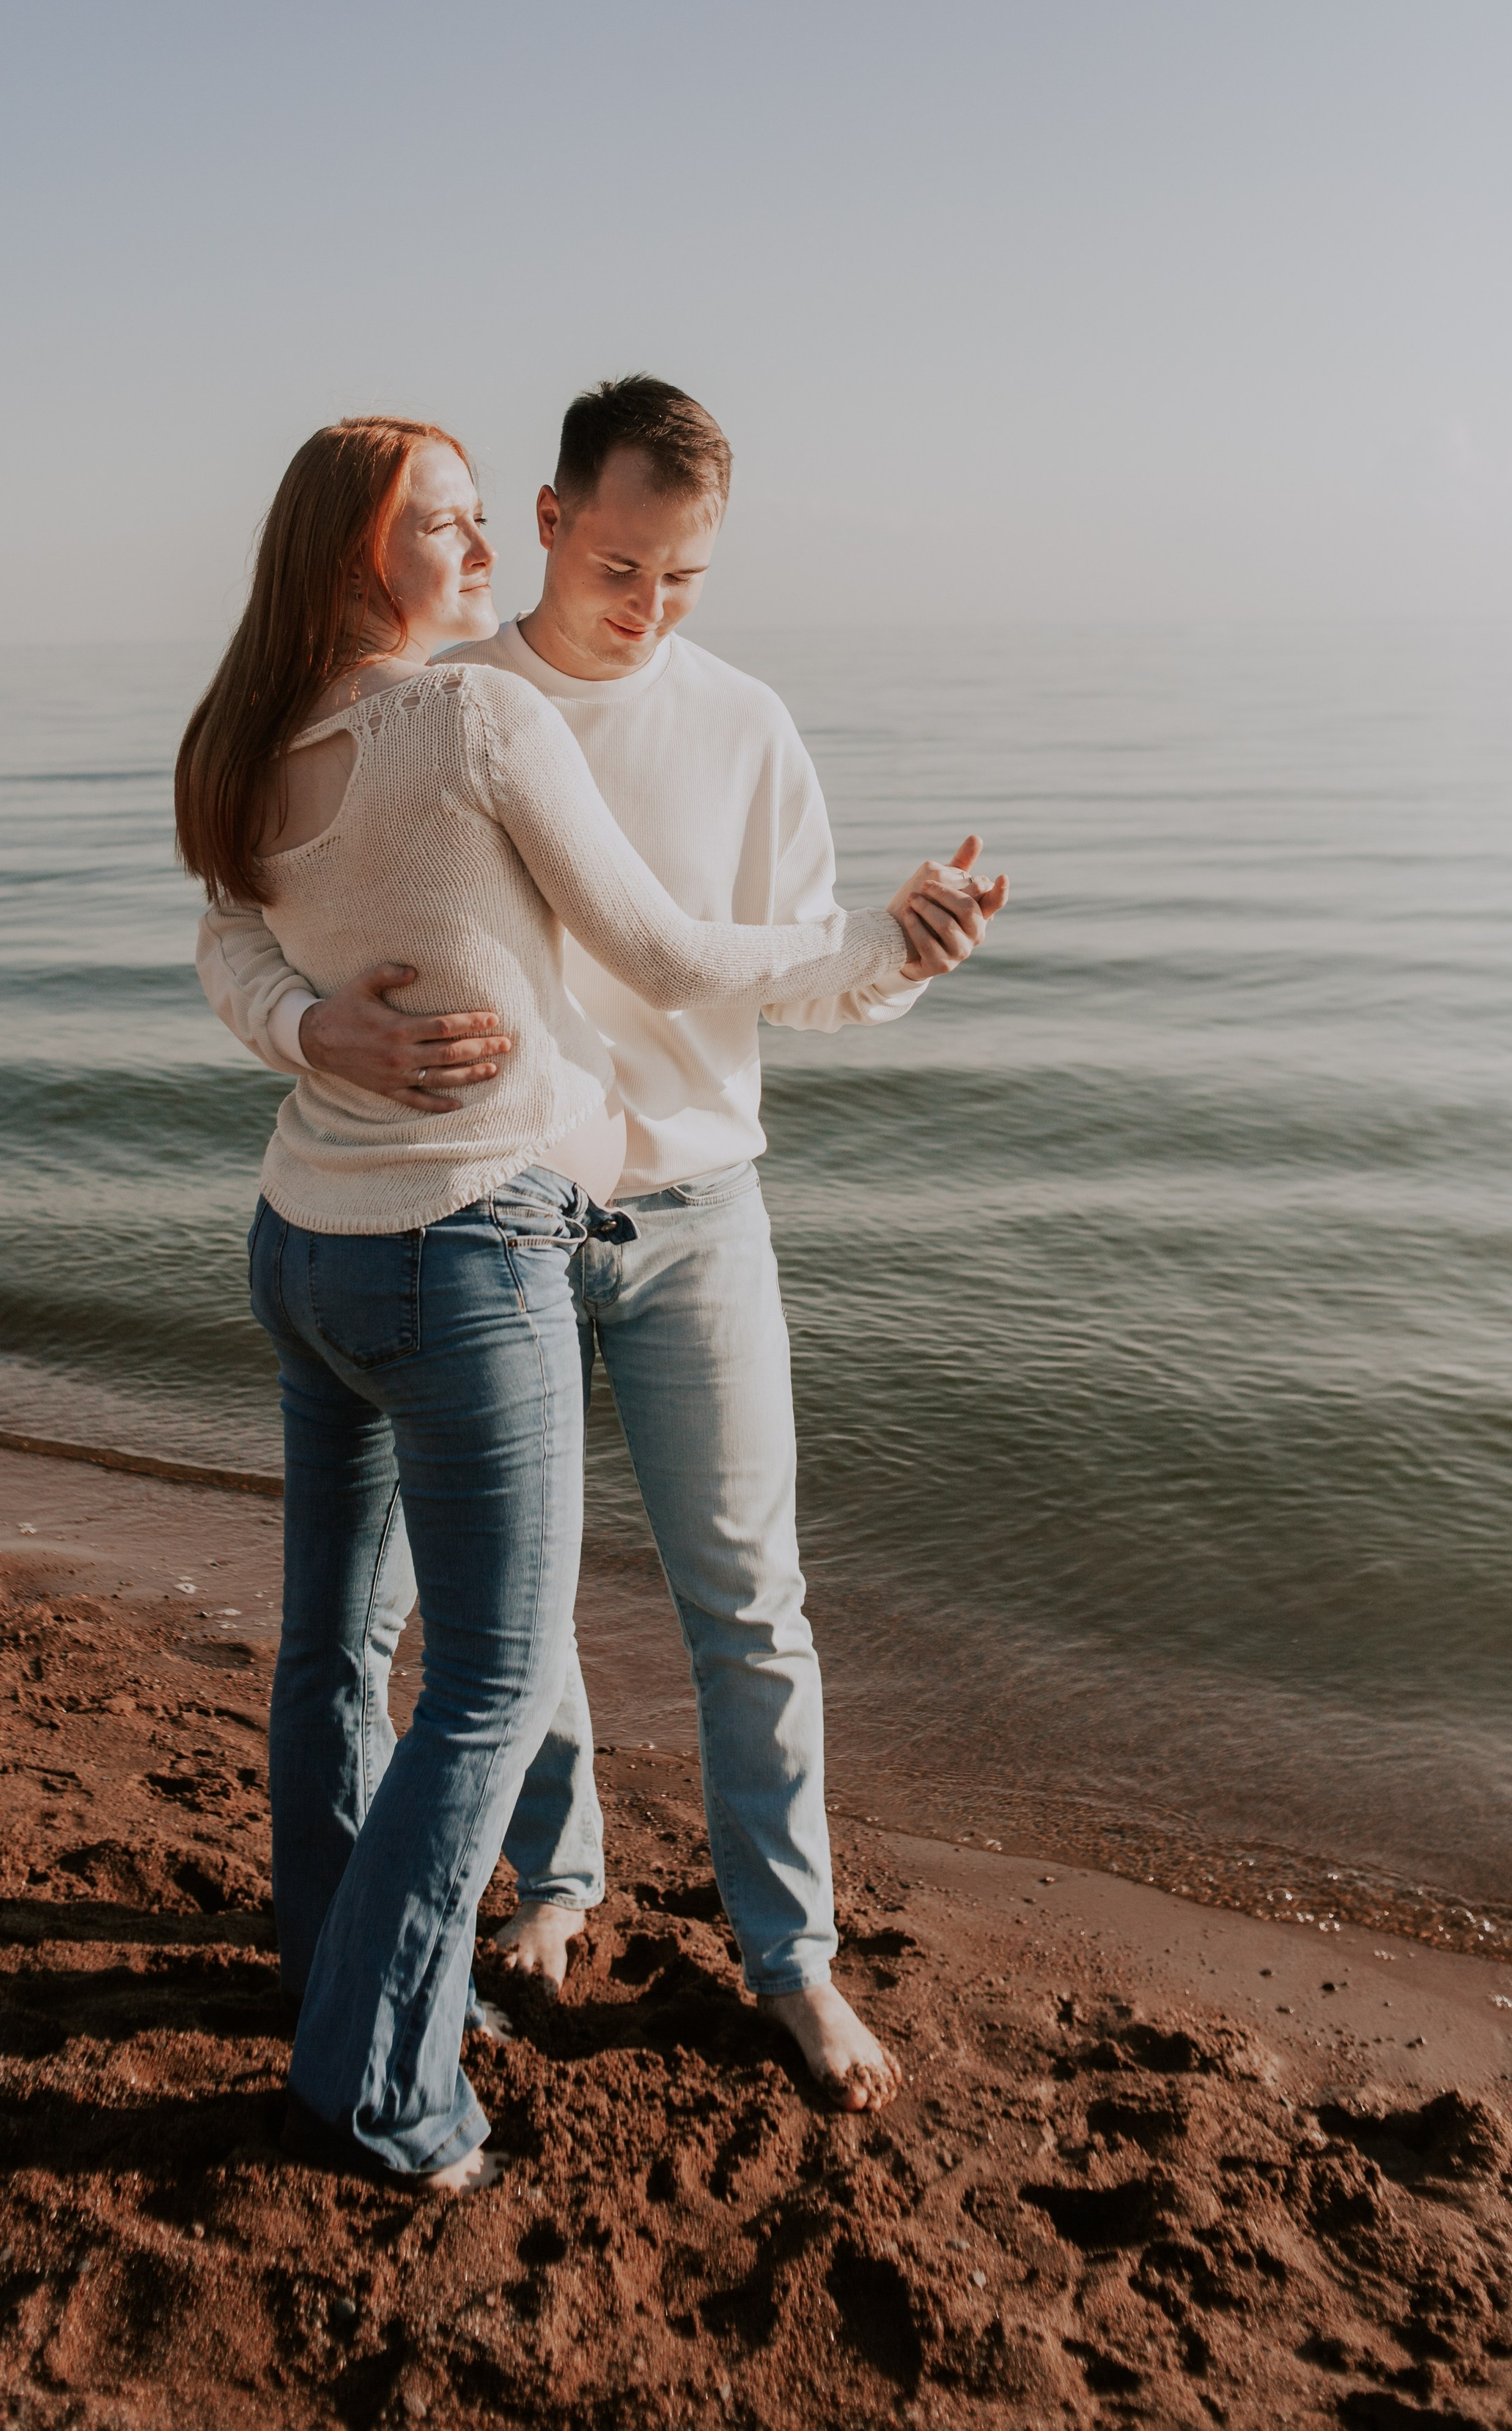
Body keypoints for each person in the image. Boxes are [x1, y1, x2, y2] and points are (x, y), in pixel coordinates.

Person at [174, 412, 979, 2186]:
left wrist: (886, 958)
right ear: (549, 524)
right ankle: (520, 1916)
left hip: (629, 1214)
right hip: (481, 1229)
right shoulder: (458, 704)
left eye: (684, 576)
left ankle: (781, 1960)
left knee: (718, 1602)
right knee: (495, 1655)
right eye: (616, 565)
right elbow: (651, 953)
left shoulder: (732, 725)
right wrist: (315, 1027)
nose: (649, 602)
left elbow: (768, 973)